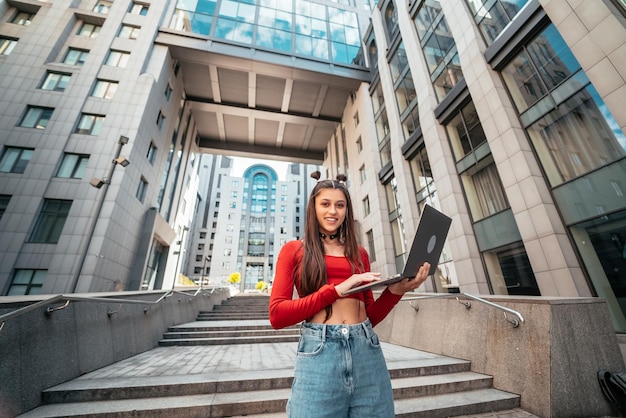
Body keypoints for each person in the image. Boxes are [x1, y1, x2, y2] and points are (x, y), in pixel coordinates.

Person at [269, 170, 431, 417]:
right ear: (313, 208)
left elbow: (370, 316)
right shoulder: (293, 250)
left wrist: (396, 291)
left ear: (347, 211)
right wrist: (337, 290)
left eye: (340, 205)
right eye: (325, 204)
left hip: (366, 348)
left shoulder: (359, 253)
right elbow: (277, 315)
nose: (333, 211)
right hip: (320, 352)